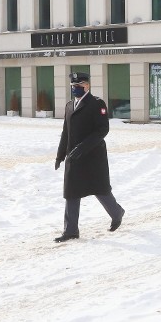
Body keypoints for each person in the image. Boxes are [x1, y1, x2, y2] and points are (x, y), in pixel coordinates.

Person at [54, 72, 124, 243]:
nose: (75, 89)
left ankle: (117, 213)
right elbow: (66, 132)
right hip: (73, 156)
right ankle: (71, 231)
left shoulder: (97, 103)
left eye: (78, 86)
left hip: (93, 156)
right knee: (71, 192)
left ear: (87, 86)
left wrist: (83, 147)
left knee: (100, 189)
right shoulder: (70, 105)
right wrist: (60, 155)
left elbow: (102, 130)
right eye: (73, 86)